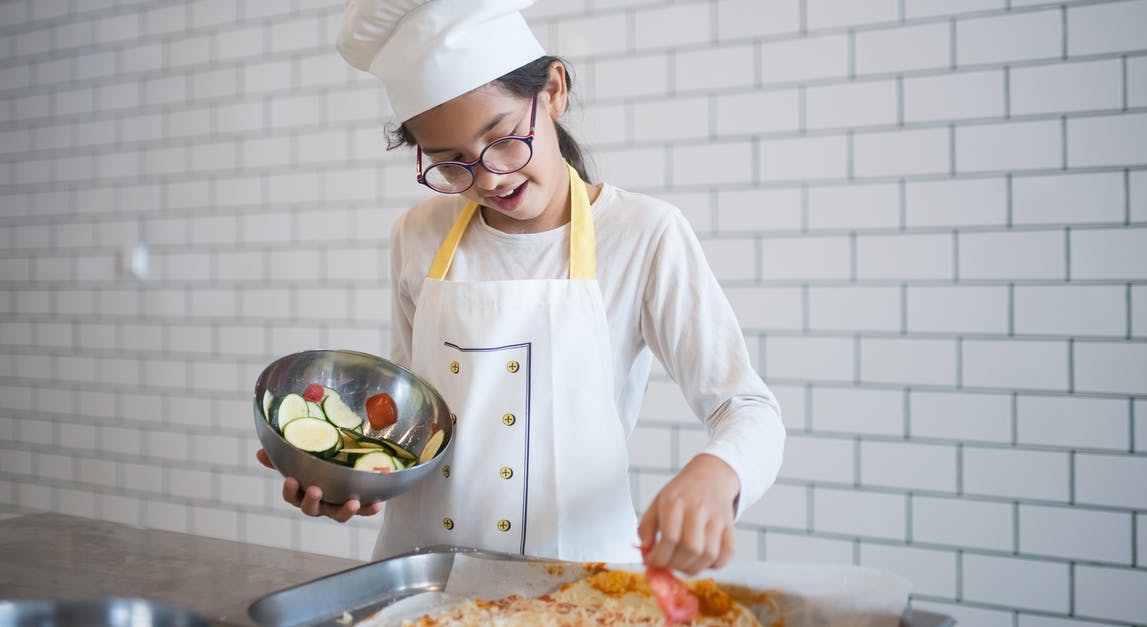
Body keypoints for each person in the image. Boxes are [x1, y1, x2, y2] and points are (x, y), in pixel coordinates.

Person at [256, 0, 784, 575]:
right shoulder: (417, 235)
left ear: (553, 90)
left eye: (504, 137)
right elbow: (411, 425)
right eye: (451, 163)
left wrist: (719, 472)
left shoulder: (644, 234)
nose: (490, 177)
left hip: (580, 587)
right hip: (422, 582)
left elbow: (746, 406)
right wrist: (352, 479)